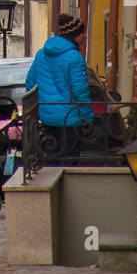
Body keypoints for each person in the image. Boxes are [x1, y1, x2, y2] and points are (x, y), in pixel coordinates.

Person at [25, 13, 93, 166]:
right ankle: (66, 190)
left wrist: (40, 107)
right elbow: (80, 91)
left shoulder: (41, 54)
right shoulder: (75, 57)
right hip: (70, 118)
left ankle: (51, 190)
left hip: (48, 117)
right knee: (68, 163)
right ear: (75, 34)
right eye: (82, 32)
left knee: (51, 161)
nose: (84, 36)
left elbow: (30, 83)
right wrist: (87, 117)